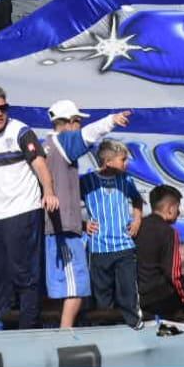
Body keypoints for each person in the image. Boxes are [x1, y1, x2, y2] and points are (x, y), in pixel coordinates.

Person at [0, 84, 58, 329]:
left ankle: (28, 327)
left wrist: (49, 191)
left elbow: (40, 163)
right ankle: (5, 323)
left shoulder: (21, 131)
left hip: (22, 210)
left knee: (25, 273)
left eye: (3, 108)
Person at [42, 99, 128, 328]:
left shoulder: (47, 146)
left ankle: (61, 329)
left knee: (63, 286)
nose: (79, 127)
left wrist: (80, 223)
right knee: (76, 286)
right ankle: (65, 333)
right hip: (64, 231)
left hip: (59, 226)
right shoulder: (63, 141)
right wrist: (112, 120)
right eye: (77, 121)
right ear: (69, 123)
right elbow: (90, 134)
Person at [80, 139, 145, 328]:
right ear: (108, 161)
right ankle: (103, 328)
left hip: (124, 246)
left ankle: (134, 324)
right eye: (123, 159)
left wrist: (137, 220)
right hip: (99, 248)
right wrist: (83, 224)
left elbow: (137, 201)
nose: (127, 163)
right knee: (101, 294)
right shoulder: (87, 181)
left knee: (127, 290)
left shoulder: (126, 180)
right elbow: (67, 204)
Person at [137, 185, 184, 321]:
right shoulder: (169, 232)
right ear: (170, 209)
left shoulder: (138, 226)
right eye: (178, 208)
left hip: (136, 296)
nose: (179, 212)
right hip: (158, 299)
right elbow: (174, 275)